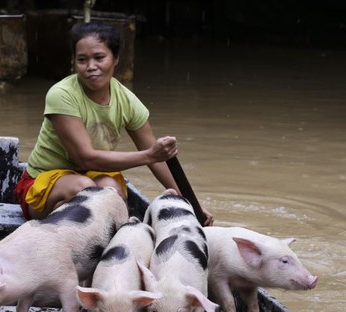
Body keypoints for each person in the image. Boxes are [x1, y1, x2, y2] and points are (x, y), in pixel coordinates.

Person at [14, 21, 214, 225]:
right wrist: (148, 155)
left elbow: (158, 159)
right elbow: (85, 158)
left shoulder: (126, 100)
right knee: (84, 189)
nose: (91, 67)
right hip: (42, 185)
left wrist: (191, 205)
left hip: (90, 177)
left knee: (113, 190)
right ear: (74, 62)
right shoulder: (62, 94)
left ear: (116, 59)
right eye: (82, 60)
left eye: (99, 58)